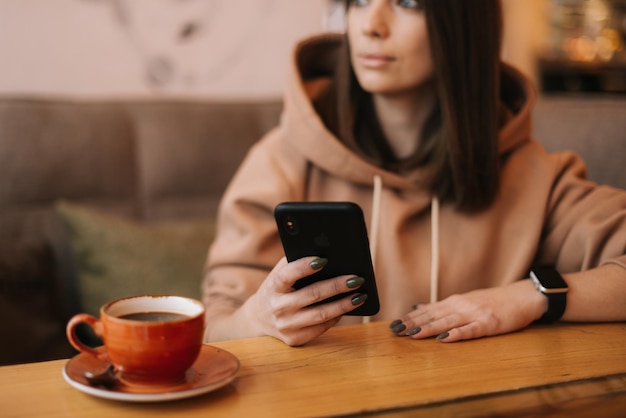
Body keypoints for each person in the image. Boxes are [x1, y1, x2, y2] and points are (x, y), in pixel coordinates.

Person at [202, 0, 626, 346]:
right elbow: (215, 331)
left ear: (462, 22)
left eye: (407, 3)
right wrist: (258, 318)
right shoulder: (281, 159)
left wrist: (531, 296)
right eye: (359, 1)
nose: (372, 24)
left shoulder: (534, 175)